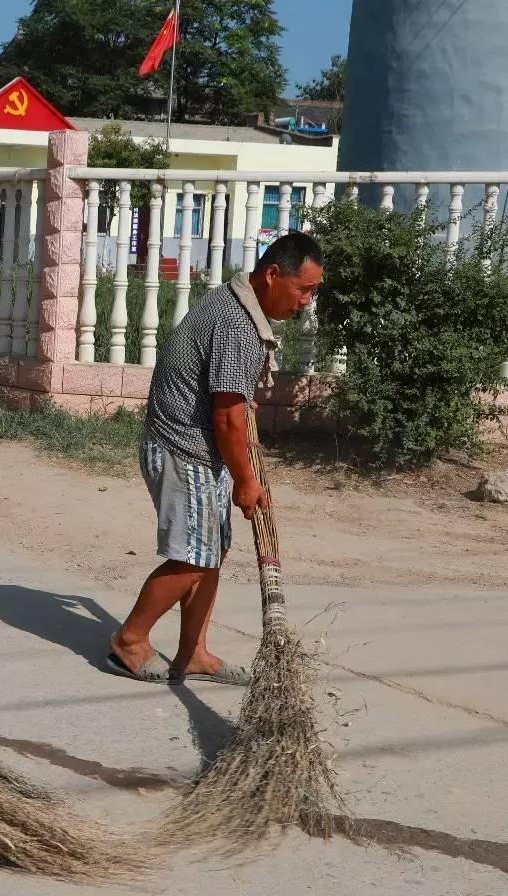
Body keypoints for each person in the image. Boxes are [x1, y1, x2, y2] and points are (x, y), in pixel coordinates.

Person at [106, 232, 323, 686]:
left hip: (199, 448)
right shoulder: (238, 325)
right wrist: (246, 481)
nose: (306, 301)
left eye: (312, 291)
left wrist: (242, 428)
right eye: (304, 289)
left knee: (211, 552)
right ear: (272, 276)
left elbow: (230, 403)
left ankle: (194, 653)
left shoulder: (237, 302)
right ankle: (129, 640)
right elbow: (226, 418)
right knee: (192, 558)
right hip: (184, 449)